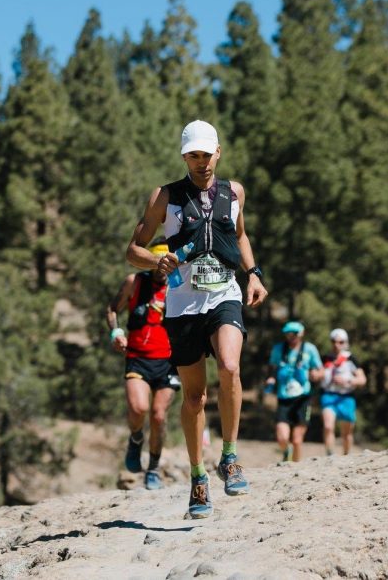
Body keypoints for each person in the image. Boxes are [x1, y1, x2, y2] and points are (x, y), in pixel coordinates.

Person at [126, 119, 268, 519]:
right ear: (185, 157)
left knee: (230, 366)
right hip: (184, 303)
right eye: (193, 155)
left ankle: (230, 456)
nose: (201, 162)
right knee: (194, 398)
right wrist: (157, 260)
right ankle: (198, 477)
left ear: (218, 152)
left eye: (207, 154)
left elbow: (239, 235)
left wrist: (254, 274)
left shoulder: (234, 192)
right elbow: (132, 249)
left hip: (225, 293)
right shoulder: (165, 197)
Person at [105, 239, 181, 490]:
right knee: (138, 409)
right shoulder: (134, 283)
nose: (161, 270)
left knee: (159, 415)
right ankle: (136, 438)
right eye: (156, 264)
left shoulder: (179, 288)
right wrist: (115, 333)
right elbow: (112, 309)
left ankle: (154, 468)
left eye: (165, 265)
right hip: (137, 357)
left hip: (169, 362)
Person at [265, 321, 323, 462]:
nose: (290, 337)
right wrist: (271, 379)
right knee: (282, 437)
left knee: (297, 440)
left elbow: (321, 370)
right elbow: (272, 368)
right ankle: (287, 452)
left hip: (303, 398)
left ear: (300, 334)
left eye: (293, 334)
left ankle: (296, 466)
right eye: (287, 334)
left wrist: (316, 375)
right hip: (284, 397)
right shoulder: (278, 349)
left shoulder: (309, 349)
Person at [319, 328, 366, 456]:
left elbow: (362, 380)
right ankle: (330, 456)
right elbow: (317, 374)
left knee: (347, 433)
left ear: (345, 343)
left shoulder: (351, 359)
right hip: (328, 395)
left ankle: (346, 456)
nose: (336, 344)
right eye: (334, 341)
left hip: (346, 397)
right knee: (328, 427)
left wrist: (347, 380)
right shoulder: (325, 359)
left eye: (340, 342)